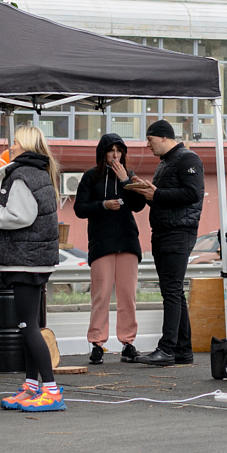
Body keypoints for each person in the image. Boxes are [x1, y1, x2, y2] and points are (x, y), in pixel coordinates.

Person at [0, 124, 64, 412]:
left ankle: (50, 390)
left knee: (28, 327)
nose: (10, 146)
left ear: (25, 146)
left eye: (14, 142)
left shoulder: (22, 175)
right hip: (35, 258)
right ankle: (31, 385)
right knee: (30, 326)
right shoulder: (39, 173)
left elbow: (18, 216)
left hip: (25, 259)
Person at [133, 121, 204, 366]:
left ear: (163, 137)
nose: (148, 146)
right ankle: (182, 350)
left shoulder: (188, 159)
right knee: (173, 291)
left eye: (150, 141)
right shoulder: (166, 163)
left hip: (178, 231)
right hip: (165, 230)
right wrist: (149, 193)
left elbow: (193, 193)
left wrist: (157, 194)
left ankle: (167, 349)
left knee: (171, 291)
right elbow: (167, 197)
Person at [73, 133, 147, 364]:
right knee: (101, 295)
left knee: (128, 296)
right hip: (101, 242)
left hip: (127, 241)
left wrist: (126, 181)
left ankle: (128, 343)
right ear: (102, 152)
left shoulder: (130, 175)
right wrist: (103, 205)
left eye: (119, 150)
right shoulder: (90, 177)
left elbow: (138, 205)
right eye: (111, 150)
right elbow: (79, 208)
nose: (115, 155)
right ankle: (97, 344)